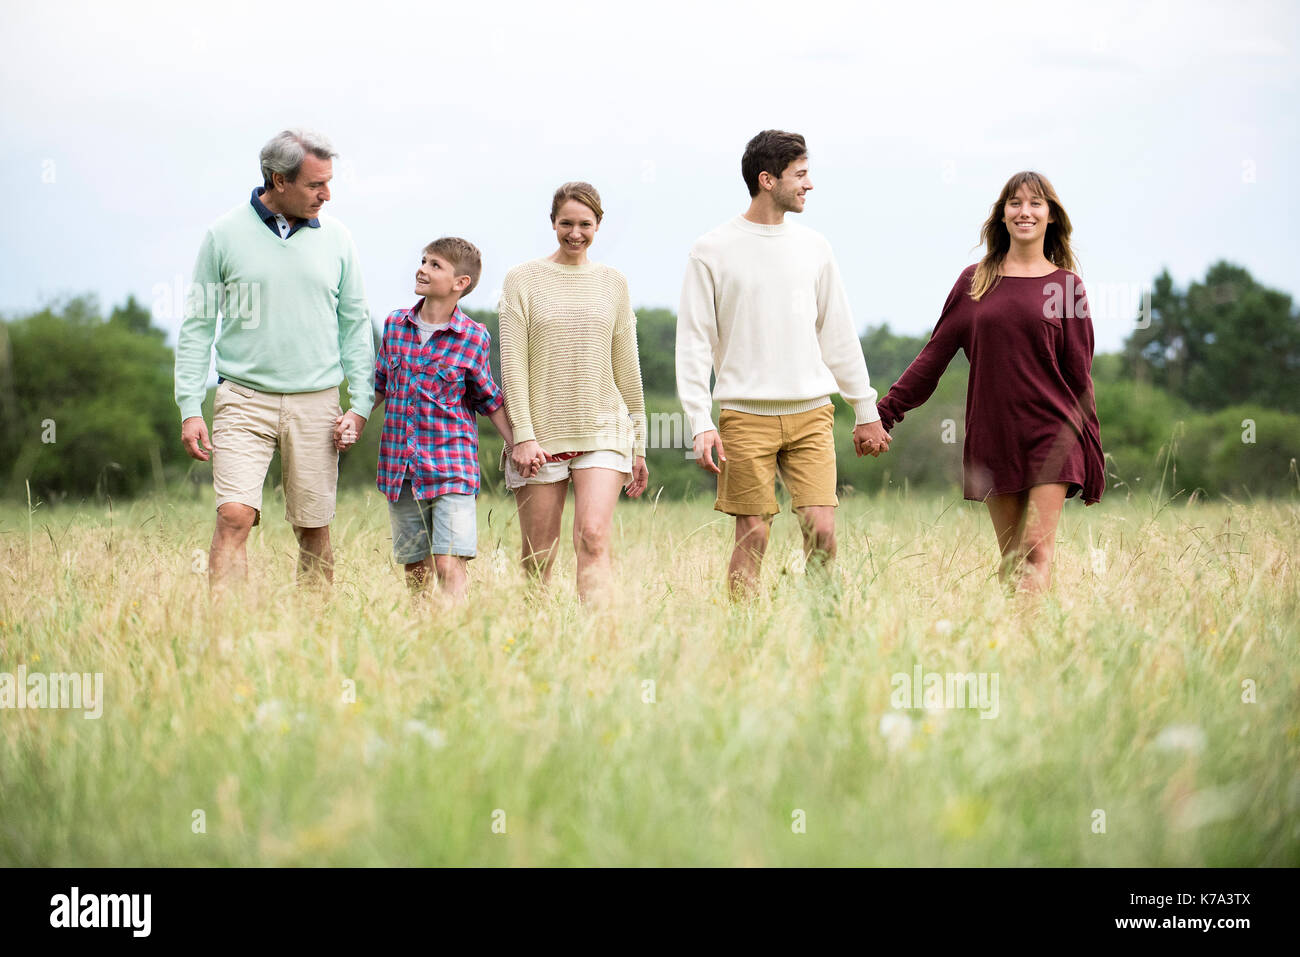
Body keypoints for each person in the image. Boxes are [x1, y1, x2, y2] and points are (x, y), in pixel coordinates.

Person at [676, 129, 891, 600]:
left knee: (822, 531)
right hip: (744, 416)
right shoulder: (710, 250)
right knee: (753, 535)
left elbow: (837, 333)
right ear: (767, 179)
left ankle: (823, 623)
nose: (809, 184)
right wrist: (699, 421)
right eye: (801, 174)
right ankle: (743, 635)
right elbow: (693, 342)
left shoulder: (816, 247)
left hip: (811, 412)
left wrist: (865, 408)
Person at [875, 170, 1105, 593]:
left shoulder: (1067, 287)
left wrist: (1091, 447)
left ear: (1051, 215)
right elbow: (933, 357)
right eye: (1015, 203)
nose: (1025, 211)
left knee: (1036, 549)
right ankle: (1013, 642)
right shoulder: (975, 281)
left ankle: (1031, 649)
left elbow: (1079, 376)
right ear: (1002, 215)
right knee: (1013, 558)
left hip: (1054, 434)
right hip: (994, 434)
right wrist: (884, 413)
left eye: (1036, 203)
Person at [175, 128, 374, 595]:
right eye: (315, 184)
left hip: (318, 402)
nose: (326, 195)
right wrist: (189, 406)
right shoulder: (223, 235)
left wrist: (360, 404)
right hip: (243, 398)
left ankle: (314, 632)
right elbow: (198, 325)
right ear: (278, 180)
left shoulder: (339, 239)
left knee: (313, 526)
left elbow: (355, 325)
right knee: (234, 516)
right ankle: (227, 633)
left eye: (329, 183)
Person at [498, 182, 649, 603]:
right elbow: (512, 364)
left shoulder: (613, 283)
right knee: (538, 556)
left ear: (599, 226)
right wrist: (523, 436)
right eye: (566, 223)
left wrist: (640, 445)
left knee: (594, 538)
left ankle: (598, 648)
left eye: (585, 224)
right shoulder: (521, 280)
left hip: (603, 429)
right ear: (553, 223)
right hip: (541, 436)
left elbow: (627, 367)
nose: (575, 233)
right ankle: (536, 645)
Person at [372, 238, 517, 603]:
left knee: (448, 563)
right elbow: (378, 386)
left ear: (460, 283)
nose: (422, 268)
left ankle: (455, 634)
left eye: (435, 265)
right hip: (400, 469)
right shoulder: (394, 326)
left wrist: (518, 443)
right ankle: (422, 634)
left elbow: (488, 398)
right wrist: (352, 420)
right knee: (415, 567)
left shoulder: (473, 337)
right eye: (423, 260)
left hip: (451, 467)